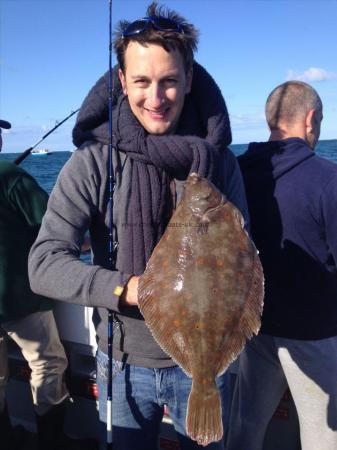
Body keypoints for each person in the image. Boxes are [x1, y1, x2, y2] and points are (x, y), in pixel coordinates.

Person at [29, 2, 249, 449]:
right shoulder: (94, 162)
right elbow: (44, 264)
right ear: (122, 82)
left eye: (169, 81)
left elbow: (246, 252)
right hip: (124, 359)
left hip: (207, 365)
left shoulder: (219, 163)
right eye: (142, 81)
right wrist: (126, 289)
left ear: (189, 80)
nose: (156, 97)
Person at [226, 81, 337, 450]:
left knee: (245, 427)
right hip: (314, 333)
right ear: (310, 120)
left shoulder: (235, 173)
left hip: (253, 331)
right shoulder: (328, 180)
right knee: (323, 438)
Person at [0, 120, 97, 450]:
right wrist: (87, 243)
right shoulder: (10, 176)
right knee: (48, 365)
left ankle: (8, 439)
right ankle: (52, 443)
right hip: (19, 300)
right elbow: (54, 229)